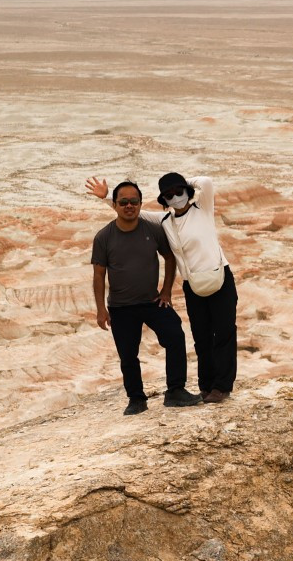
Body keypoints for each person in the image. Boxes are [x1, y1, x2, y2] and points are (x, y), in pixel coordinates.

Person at [86, 178, 200, 414]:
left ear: (139, 203)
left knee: (175, 336)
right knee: (128, 355)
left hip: (151, 301)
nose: (129, 206)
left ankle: (175, 391)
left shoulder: (153, 230)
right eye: (124, 202)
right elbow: (98, 276)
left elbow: (170, 258)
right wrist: (100, 309)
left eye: (134, 201)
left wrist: (166, 291)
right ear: (115, 205)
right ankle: (136, 399)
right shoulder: (104, 237)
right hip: (120, 306)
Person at [154, 170, 237, 403]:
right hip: (193, 285)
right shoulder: (165, 222)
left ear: (187, 191)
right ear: (164, 201)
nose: (175, 197)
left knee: (224, 332)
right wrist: (107, 197)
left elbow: (206, 181)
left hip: (219, 277)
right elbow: (131, 212)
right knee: (201, 337)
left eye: (178, 192)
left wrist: (182, 181)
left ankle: (222, 386)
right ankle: (207, 385)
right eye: (168, 195)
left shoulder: (203, 208)